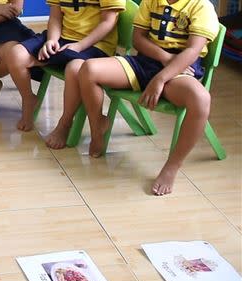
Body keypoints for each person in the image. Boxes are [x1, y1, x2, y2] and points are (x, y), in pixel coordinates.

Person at [79, 0, 219, 195]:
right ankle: (97, 128)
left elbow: (193, 51)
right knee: (88, 69)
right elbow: (138, 39)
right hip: (146, 61)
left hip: (180, 69)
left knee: (201, 99)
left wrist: (161, 78)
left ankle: (172, 166)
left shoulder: (201, 6)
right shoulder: (151, 1)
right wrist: (163, 57)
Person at [5, 0, 124, 144]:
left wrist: (80, 46)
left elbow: (108, 22)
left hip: (96, 44)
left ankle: (65, 123)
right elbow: (55, 16)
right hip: (62, 37)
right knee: (16, 54)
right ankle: (28, 98)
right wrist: (52, 40)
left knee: (74, 68)